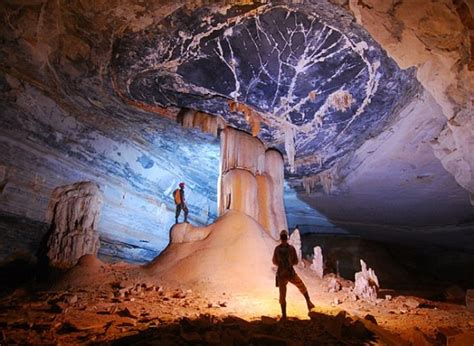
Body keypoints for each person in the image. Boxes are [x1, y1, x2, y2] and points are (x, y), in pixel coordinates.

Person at [273, 230, 314, 320]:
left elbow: (274, 261)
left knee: (282, 295)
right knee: (301, 286)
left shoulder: (277, 249)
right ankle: (308, 302)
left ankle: (284, 315)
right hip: (290, 273)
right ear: (287, 238)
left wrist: (281, 264)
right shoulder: (291, 249)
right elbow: (295, 261)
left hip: (281, 274)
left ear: (281, 238)